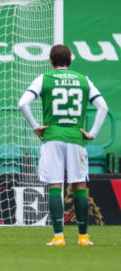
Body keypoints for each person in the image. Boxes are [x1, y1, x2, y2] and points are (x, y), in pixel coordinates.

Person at [18, 44, 108, 246]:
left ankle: (59, 236)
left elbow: (23, 103)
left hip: (52, 137)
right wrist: (91, 133)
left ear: (50, 61)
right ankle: (83, 237)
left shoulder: (44, 79)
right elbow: (103, 106)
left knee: (55, 185)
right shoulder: (83, 80)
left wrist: (35, 127)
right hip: (76, 138)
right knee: (79, 185)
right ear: (71, 60)